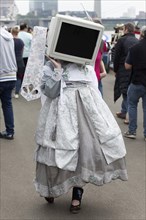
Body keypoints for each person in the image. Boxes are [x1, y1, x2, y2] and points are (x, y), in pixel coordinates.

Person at [34, 55, 128, 214]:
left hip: (85, 117)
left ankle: (77, 193)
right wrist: (57, 69)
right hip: (59, 117)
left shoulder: (86, 67)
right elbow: (50, 92)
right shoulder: (50, 67)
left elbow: (95, 92)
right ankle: (51, 188)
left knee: (84, 153)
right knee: (53, 154)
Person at [124, 26, 146, 140]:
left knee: (132, 105)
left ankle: (132, 131)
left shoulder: (134, 48)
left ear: (141, 34)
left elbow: (127, 66)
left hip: (136, 81)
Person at [113, 22, 138, 123]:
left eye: (123, 29)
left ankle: (128, 116)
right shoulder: (137, 40)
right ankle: (123, 111)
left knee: (125, 92)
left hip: (123, 68)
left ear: (126, 29)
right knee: (127, 90)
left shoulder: (122, 40)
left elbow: (116, 56)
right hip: (134, 70)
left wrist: (115, 70)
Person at [0, 26, 17, 140]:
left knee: (7, 104)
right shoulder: (8, 35)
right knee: (7, 105)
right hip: (11, 75)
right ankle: (10, 132)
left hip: (1, 75)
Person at [11, 26, 25, 98]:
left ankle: (10, 91)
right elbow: (22, 52)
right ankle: (16, 93)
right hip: (19, 61)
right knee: (19, 77)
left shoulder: (10, 41)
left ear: (11, 32)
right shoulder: (21, 42)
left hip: (11, 61)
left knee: (10, 77)